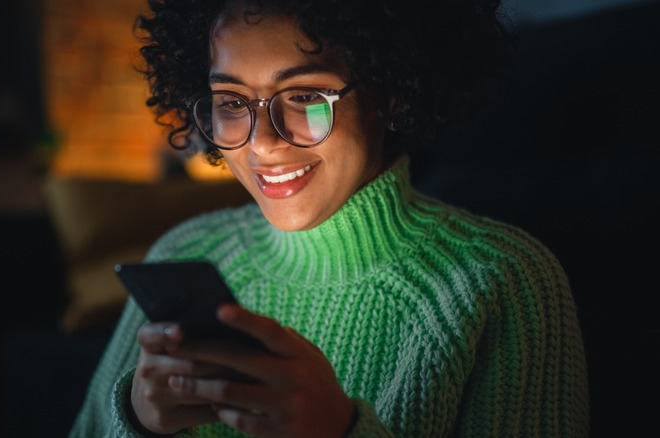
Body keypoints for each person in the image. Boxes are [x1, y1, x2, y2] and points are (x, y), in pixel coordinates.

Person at [70, 0, 590, 436]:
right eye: (231, 102)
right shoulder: (185, 252)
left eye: (303, 97)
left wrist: (339, 431)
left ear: (393, 92)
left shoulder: (504, 282)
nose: (262, 143)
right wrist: (135, 422)